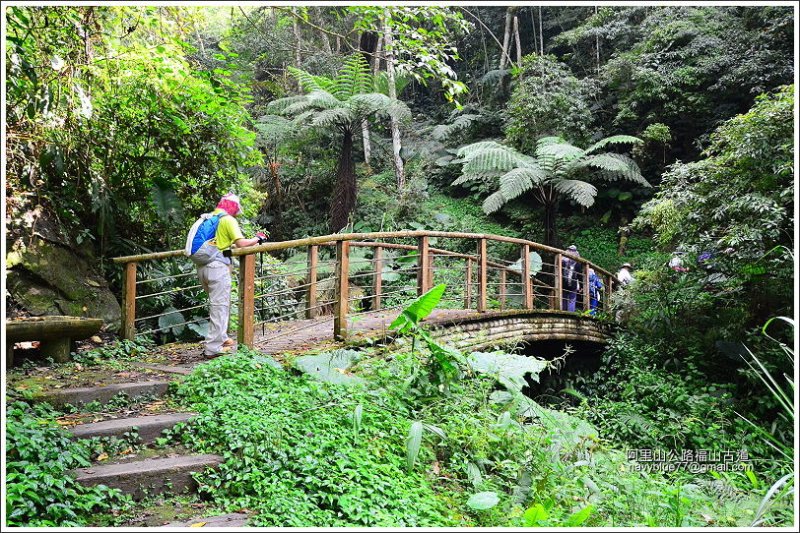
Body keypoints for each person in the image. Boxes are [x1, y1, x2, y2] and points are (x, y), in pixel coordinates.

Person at [190, 193, 267, 358]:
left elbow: (221, 244)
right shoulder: (227, 220)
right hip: (217, 268)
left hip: (202, 267)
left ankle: (222, 338)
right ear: (233, 207)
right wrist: (257, 238)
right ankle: (212, 349)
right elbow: (241, 243)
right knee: (220, 307)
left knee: (219, 305)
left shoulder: (208, 218)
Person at [561, 245, 581, 312]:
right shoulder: (577, 261)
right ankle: (571, 314)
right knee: (571, 300)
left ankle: (564, 313)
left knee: (564, 299)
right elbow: (579, 274)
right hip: (573, 284)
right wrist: (581, 285)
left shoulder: (562, 259)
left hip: (563, 283)